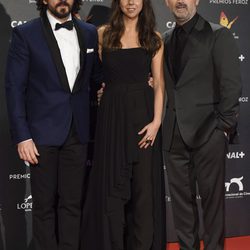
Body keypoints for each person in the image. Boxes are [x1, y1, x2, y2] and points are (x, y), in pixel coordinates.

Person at [5, 0, 103, 249]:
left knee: (72, 204)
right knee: (44, 207)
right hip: (40, 135)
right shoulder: (25, 34)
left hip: (78, 131)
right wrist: (22, 136)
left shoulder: (89, 33)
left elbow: (96, 76)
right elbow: (14, 89)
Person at [81, 0, 166, 250]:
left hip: (144, 120)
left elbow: (160, 84)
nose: (131, 2)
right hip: (111, 119)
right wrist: (101, 91)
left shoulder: (154, 38)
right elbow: (94, 75)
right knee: (111, 192)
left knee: (143, 192)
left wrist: (156, 122)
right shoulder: (102, 34)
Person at [162, 0, 242, 249]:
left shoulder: (218, 34)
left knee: (212, 206)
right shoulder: (163, 39)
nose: (180, 1)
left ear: (196, 0)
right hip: (174, 135)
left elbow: (231, 85)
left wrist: (222, 128)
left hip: (209, 134)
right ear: (167, 2)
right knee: (182, 210)